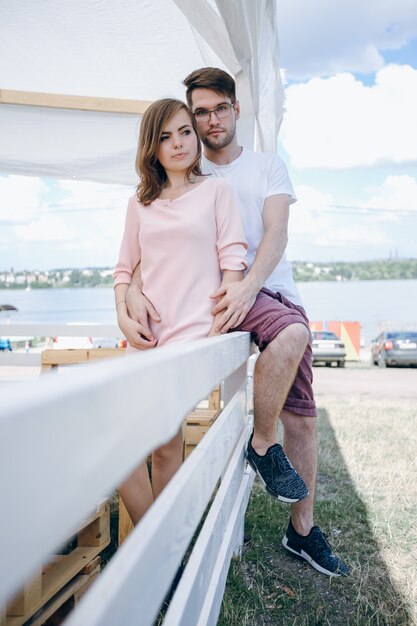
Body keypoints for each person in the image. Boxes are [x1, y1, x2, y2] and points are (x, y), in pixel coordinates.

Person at [126, 69, 349, 577]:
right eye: (198, 113)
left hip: (263, 291)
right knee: (171, 428)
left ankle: (301, 528)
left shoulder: (267, 167)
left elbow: (276, 233)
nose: (207, 121)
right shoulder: (185, 169)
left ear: (235, 109)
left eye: (218, 109)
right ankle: (242, 478)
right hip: (207, 300)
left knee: (304, 414)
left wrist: (247, 286)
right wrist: (130, 290)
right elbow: (152, 240)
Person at [113, 97, 248, 524]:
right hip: (145, 340)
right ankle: (159, 543)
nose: (178, 144)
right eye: (165, 137)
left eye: (185, 132)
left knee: (164, 442)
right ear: (151, 148)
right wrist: (123, 310)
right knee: (123, 449)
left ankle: (154, 551)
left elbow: (233, 264)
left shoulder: (216, 191)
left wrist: (218, 330)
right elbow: (124, 268)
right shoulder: (139, 203)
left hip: (193, 341)